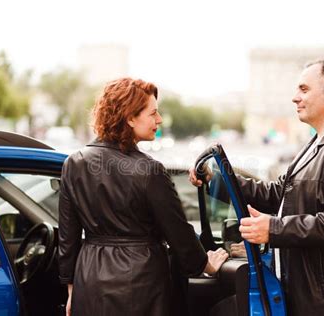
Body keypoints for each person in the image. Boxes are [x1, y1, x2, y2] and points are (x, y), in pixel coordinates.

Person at [189, 58, 324, 315]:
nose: (295, 98)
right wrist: (216, 180)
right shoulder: (316, 144)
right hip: (305, 295)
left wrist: (273, 229)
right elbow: (276, 194)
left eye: (303, 89)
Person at [59, 78, 228, 316]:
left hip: (89, 279)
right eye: (153, 113)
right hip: (141, 285)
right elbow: (178, 231)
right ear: (130, 118)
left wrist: (71, 290)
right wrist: (205, 265)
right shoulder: (149, 170)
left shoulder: (73, 163)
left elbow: (68, 236)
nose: (159, 120)